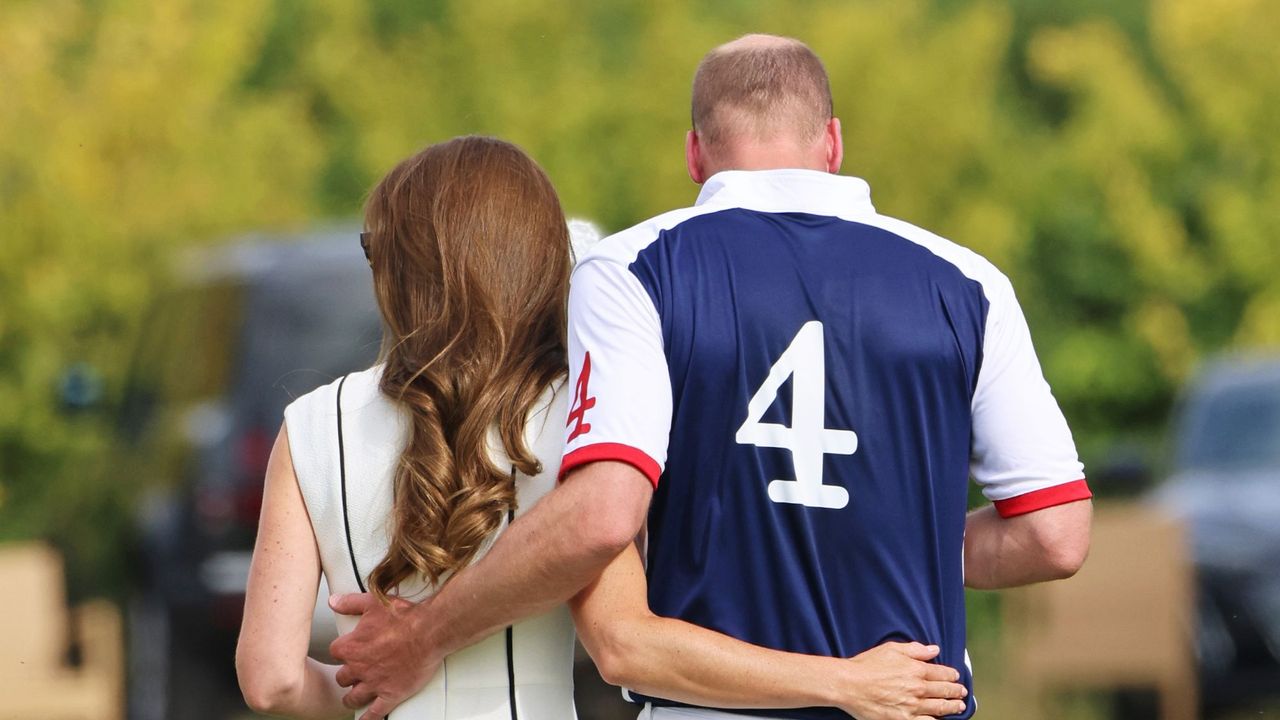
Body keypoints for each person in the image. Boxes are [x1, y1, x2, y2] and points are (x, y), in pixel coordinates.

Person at [330, 35, 1093, 720]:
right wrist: (884, 537)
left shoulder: (634, 268)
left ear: (695, 154)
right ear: (833, 143)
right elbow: (1055, 535)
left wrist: (426, 633)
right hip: (916, 708)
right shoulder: (969, 282)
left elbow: (602, 517)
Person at [235, 136, 579, 718]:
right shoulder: (583, 408)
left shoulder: (311, 425)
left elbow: (272, 680)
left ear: (399, 270)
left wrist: (376, 688)